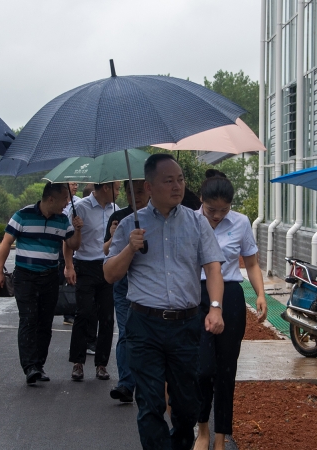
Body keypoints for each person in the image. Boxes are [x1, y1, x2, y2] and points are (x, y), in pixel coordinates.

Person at [104, 154, 225, 450]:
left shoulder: (197, 223)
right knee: (150, 403)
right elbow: (110, 274)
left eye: (180, 179)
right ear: (149, 186)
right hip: (144, 325)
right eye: (168, 180)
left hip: (185, 325)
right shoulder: (130, 225)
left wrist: (215, 307)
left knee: (186, 405)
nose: (177, 186)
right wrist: (130, 248)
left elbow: (213, 268)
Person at [193, 170, 268, 450]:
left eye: (223, 210)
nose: (217, 216)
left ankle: (220, 436)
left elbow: (251, 263)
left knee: (226, 369)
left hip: (232, 297)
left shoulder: (240, 222)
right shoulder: (189, 220)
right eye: (211, 209)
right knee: (202, 369)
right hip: (197, 296)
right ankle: (202, 429)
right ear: (201, 200)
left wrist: (260, 294)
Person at [0, 183, 83, 385]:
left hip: (49, 277)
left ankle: (39, 365)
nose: (66, 203)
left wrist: (77, 229)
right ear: (51, 199)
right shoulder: (22, 215)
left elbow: (73, 245)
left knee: (45, 322)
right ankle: (29, 366)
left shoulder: (62, 220)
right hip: (25, 277)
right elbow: (6, 244)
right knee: (28, 319)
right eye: (64, 199)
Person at [64, 182, 120, 381]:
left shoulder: (116, 210)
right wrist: (69, 265)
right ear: (106, 188)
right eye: (117, 188)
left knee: (107, 317)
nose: (118, 192)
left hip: (107, 266)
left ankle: (101, 364)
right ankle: (77, 362)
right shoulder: (80, 208)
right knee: (84, 313)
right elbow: (68, 241)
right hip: (85, 266)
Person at [103, 179, 149, 403]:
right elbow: (106, 251)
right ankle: (126, 383)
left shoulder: (160, 217)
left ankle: (147, 381)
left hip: (148, 284)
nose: (135, 197)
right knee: (125, 331)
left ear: (149, 190)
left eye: (139, 192)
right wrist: (114, 235)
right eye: (130, 193)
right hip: (123, 284)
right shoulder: (119, 218)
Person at [60, 182, 82, 326]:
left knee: (71, 281)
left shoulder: (79, 203)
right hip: (59, 242)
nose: (75, 187)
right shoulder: (59, 202)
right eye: (72, 184)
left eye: (76, 184)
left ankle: (69, 312)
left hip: (72, 240)